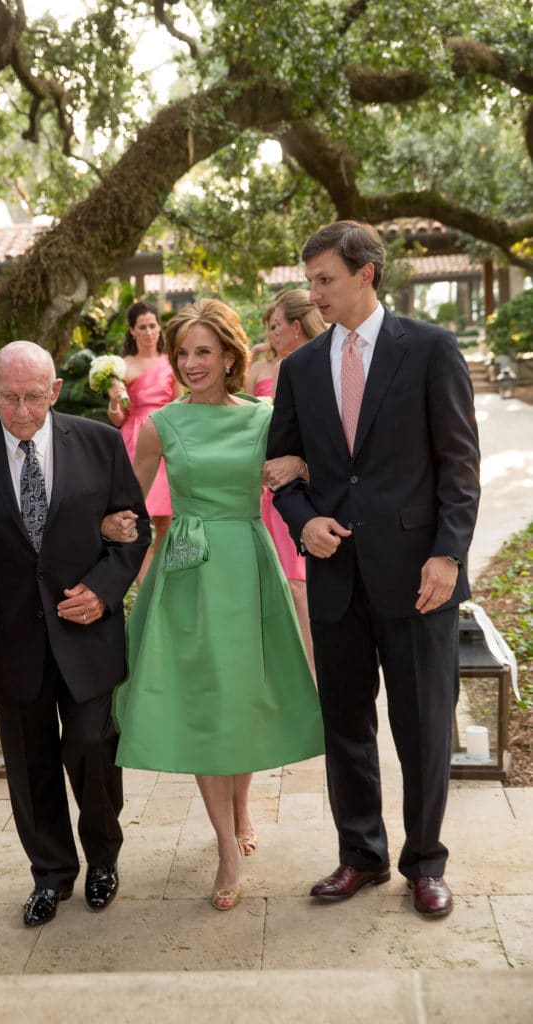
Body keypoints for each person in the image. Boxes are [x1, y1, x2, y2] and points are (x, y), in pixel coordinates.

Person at [267, 221, 480, 918]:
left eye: (324, 279)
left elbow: (459, 466)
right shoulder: (300, 369)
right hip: (337, 580)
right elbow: (282, 471)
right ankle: (361, 854)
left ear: (366, 274)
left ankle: (425, 863)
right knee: (346, 725)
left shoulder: (430, 349)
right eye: (309, 282)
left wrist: (448, 554)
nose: (314, 294)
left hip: (421, 577)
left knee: (421, 726)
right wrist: (304, 520)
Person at [111, 299, 324, 911]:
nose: (191, 363)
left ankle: (243, 807)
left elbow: (307, 468)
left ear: (230, 356)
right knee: (207, 699)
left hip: (250, 565)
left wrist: (304, 462)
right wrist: (105, 548)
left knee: (245, 694)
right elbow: (124, 497)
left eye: (204, 351)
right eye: (183, 353)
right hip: (189, 569)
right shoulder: (163, 425)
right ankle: (227, 849)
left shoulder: (265, 416)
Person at [0, 340, 150, 928]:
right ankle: (50, 875)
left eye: (32, 397)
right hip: (10, 641)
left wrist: (103, 590)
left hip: (88, 635)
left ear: (53, 391)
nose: (22, 411)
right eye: (8, 397)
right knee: (29, 768)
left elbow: (134, 528)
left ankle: (103, 859)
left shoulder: (99, 443)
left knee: (92, 749)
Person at [248, 288, 327, 674]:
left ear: (297, 327)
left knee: (299, 586)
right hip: (271, 488)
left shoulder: (315, 364)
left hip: (312, 488)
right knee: (284, 587)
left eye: (276, 325)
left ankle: (315, 678)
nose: (271, 333)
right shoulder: (265, 368)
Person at [106, 301, 183, 583]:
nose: (149, 331)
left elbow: (179, 403)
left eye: (153, 325)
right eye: (143, 327)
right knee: (139, 514)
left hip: (166, 437)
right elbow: (117, 418)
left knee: (167, 517)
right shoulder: (123, 366)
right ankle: (142, 583)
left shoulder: (172, 362)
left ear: (159, 327)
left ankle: (159, 577)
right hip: (134, 439)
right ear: (132, 331)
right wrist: (115, 400)